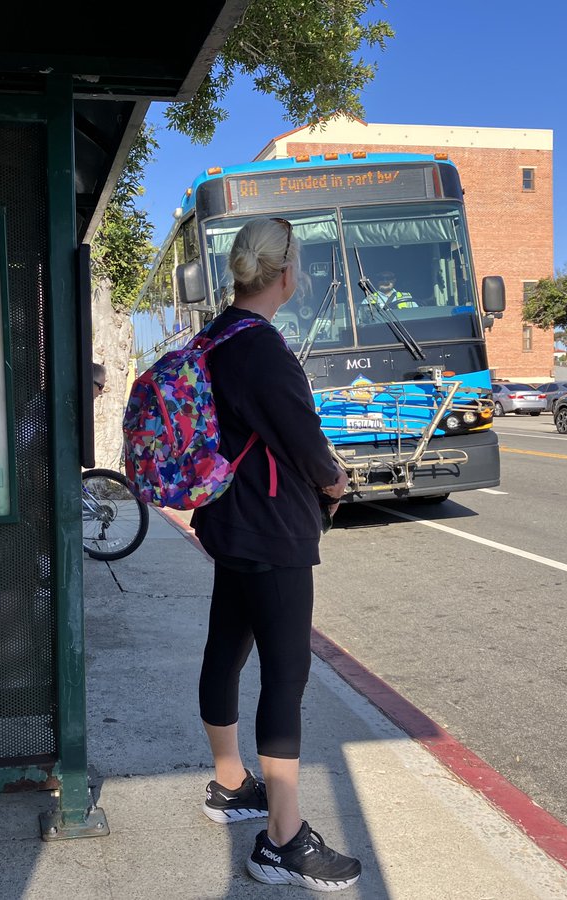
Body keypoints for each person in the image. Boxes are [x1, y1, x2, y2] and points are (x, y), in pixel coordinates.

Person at [189, 216, 360, 891]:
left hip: (228, 523)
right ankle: (283, 842)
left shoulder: (214, 335)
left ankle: (231, 784)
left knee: (226, 648)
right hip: (272, 530)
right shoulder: (263, 350)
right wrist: (336, 481)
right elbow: (308, 443)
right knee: (285, 678)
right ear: (286, 275)